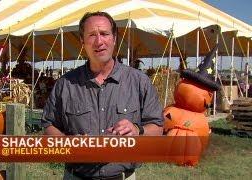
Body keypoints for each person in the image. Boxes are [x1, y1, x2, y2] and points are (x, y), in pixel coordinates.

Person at [42, 11, 164, 180]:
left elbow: (158, 128)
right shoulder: (65, 84)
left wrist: (137, 130)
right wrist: (67, 143)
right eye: (92, 35)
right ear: (82, 41)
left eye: (104, 34)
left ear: (114, 39)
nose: (99, 42)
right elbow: (48, 125)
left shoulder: (138, 82)